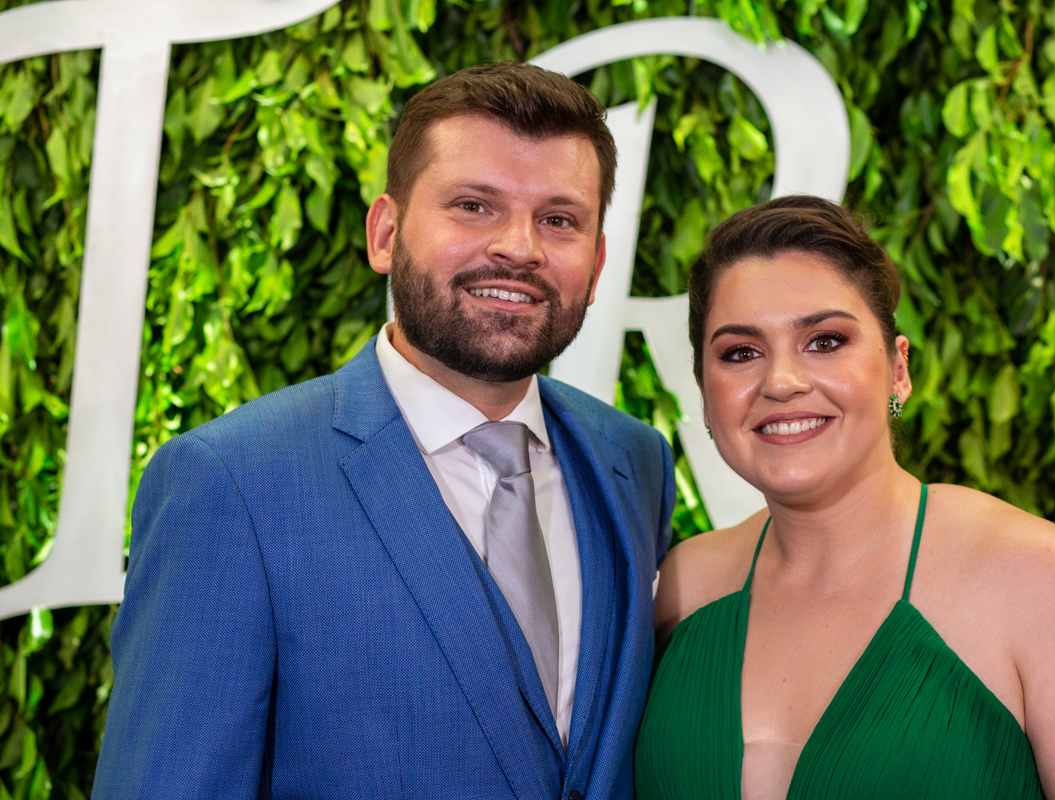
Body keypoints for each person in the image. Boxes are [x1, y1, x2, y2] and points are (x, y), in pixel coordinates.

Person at [92, 62, 675, 800]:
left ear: (595, 264)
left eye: (559, 220)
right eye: (474, 206)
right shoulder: (232, 483)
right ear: (385, 234)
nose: (519, 247)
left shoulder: (633, 460)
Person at [633, 195, 1055, 799]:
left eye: (825, 341)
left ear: (898, 369)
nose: (780, 381)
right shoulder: (683, 588)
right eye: (741, 353)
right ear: (706, 395)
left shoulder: (1037, 579)